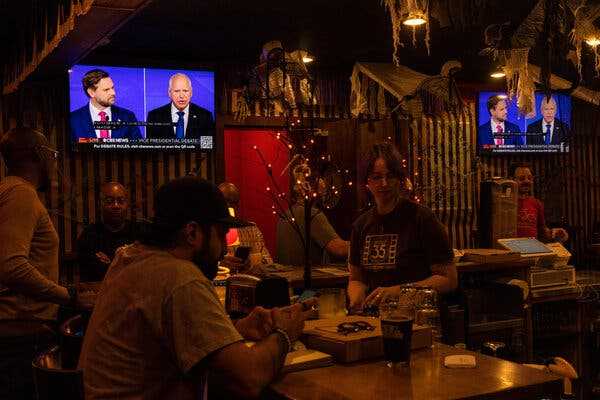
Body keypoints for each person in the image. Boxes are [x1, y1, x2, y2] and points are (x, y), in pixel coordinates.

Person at [78, 176, 314, 399]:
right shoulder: (181, 277)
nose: (223, 249)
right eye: (221, 235)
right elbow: (249, 378)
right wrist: (285, 332)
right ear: (192, 233)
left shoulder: (129, 257)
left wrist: (237, 329)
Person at [0, 127, 91, 400]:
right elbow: (11, 266)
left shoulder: (10, 190)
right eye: (52, 154)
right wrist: (69, 296)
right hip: (19, 334)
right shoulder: (20, 193)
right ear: (38, 155)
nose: (54, 161)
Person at [347, 143, 457, 311]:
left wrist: (401, 292)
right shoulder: (361, 225)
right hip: (374, 319)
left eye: (390, 176)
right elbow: (356, 279)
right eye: (376, 177)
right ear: (367, 182)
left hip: (416, 317)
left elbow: (448, 279)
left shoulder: (422, 218)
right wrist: (356, 297)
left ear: (399, 179)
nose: (384, 183)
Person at [76, 182, 138, 282]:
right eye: (109, 201)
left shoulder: (138, 233)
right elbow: (90, 275)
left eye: (121, 201)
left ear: (127, 204)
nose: (116, 206)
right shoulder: (89, 235)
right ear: (100, 205)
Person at [276, 189, 349, 266]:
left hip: (288, 276)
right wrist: (361, 246)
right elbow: (339, 249)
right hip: (308, 276)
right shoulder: (312, 214)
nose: (323, 192)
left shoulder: (285, 215)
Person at [70, 69, 142, 141]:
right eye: (106, 90)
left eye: (112, 88)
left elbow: (139, 148)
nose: (113, 93)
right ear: (91, 92)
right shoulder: (73, 119)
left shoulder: (127, 116)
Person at [217, 182, 273, 273]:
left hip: (246, 281)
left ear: (238, 205)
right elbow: (200, 264)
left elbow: (268, 262)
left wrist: (250, 263)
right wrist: (220, 264)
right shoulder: (210, 231)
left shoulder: (251, 229)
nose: (228, 206)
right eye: (225, 202)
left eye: (232, 202)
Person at [511, 163, 569, 242]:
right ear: (511, 180)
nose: (526, 181)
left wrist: (555, 233)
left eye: (530, 178)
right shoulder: (503, 202)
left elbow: (542, 231)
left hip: (532, 249)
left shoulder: (536, 203)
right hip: (510, 250)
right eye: (521, 178)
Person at [146, 73, 215, 139]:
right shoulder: (154, 116)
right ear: (169, 93)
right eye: (177, 91)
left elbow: (206, 147)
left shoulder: (205, 116)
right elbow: (152, 148)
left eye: (185, 91)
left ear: (191, 93)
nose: (181, 96)